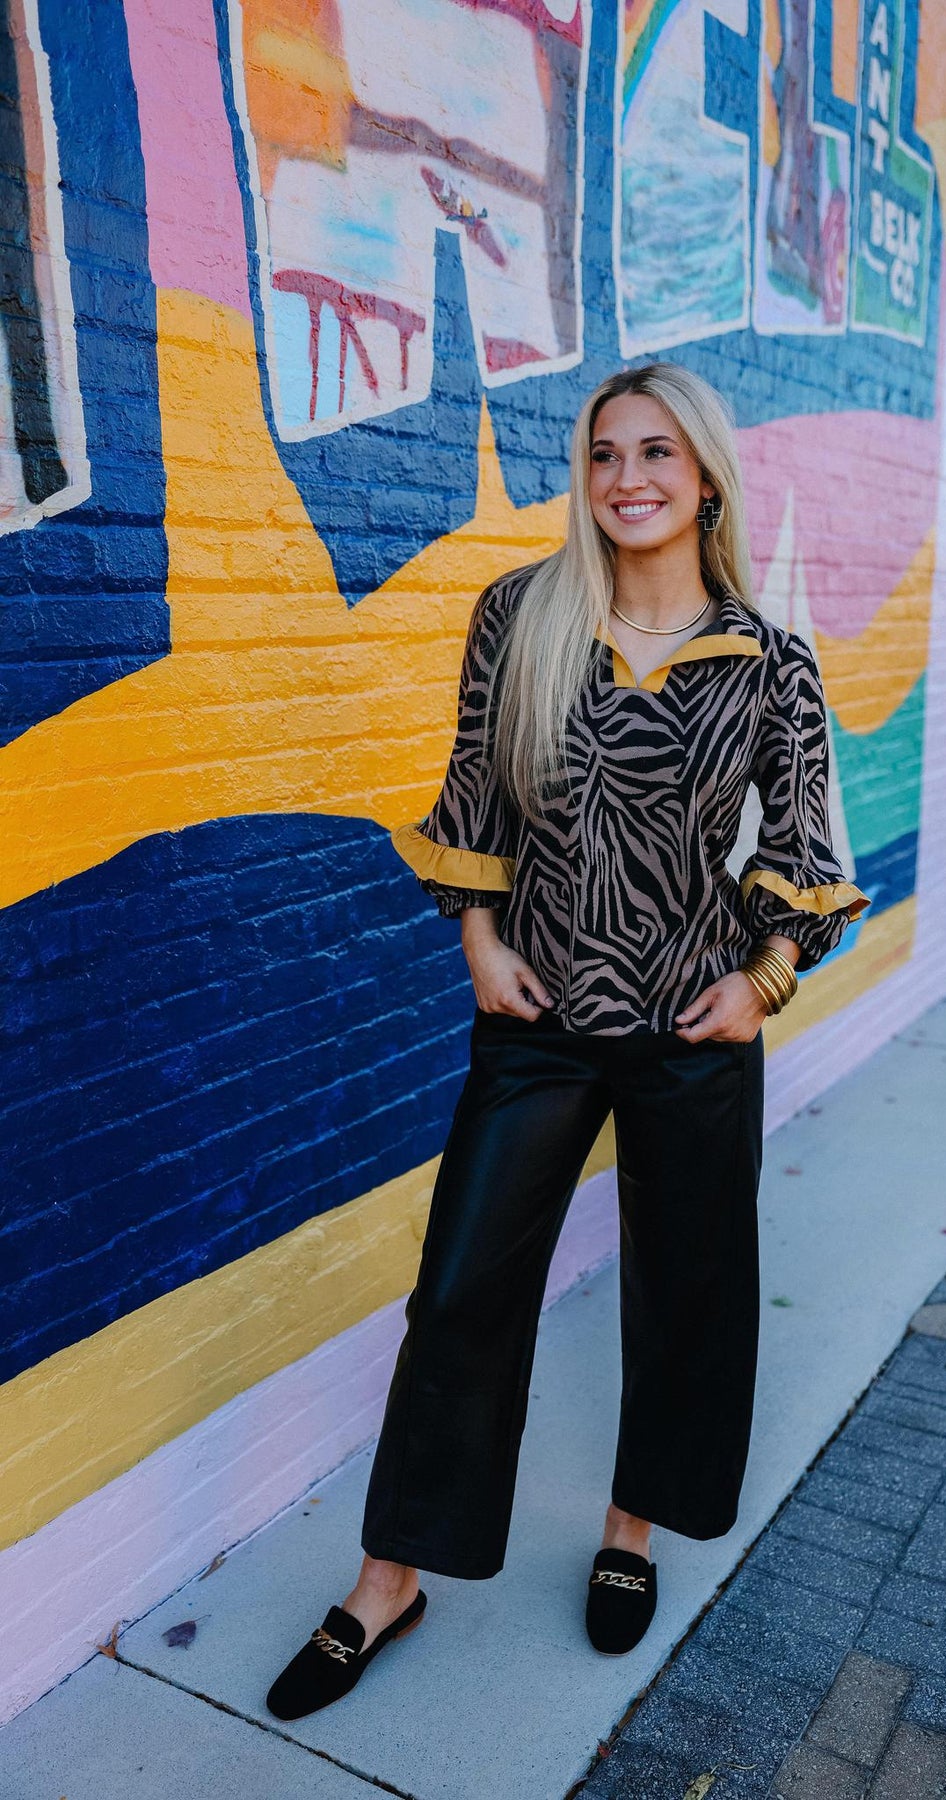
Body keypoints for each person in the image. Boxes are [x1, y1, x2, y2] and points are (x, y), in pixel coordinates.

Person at [265, 362, 870, 1719]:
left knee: (690, 1295)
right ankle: (389, 1581)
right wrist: (479, 943)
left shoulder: (769, 661)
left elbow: (809, 845)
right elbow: (474, 788)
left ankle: (629, 1533)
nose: (628, 479)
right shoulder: (523, 616)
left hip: (693, 1018)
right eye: (604, 454)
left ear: (705, 474)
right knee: (465, 1287)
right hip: (537, 1020)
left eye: (658, 453)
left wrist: (763, 981)